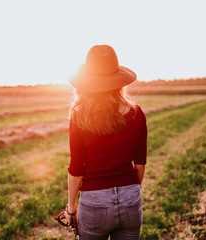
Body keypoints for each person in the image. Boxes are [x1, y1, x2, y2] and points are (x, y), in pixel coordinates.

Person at [64, 45, 147, 240]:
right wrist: (129, 193)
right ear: (119, 82)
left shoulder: (79, 117)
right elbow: (140, 163)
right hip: (130, 197)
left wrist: (70, 208)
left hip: (94, 201)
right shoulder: (137, 113)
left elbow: (76, 169)